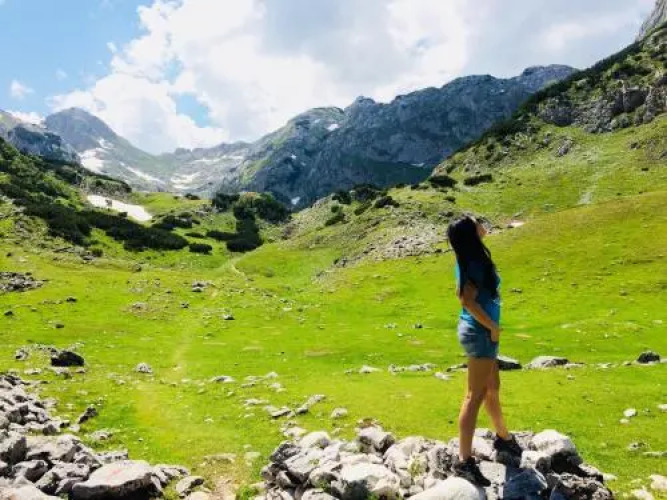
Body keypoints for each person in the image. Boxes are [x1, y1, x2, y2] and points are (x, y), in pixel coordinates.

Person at [446, 215, 522, 486]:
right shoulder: (473, 262)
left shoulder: (472, 258)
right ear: (471, 232)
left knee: (492, 387)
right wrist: (492, 326)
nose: (482, 223)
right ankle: (464, 462)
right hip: (480, 333)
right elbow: (466, 301)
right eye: (476, 221)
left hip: (482, 332)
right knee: (474, 396)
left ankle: (504, 437)